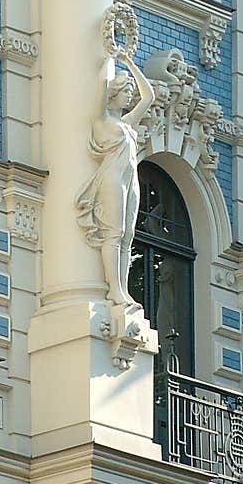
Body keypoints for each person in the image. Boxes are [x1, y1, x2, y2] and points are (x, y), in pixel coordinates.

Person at [75, 52, 155, 307]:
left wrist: (130, 64)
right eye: (125, 90)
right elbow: (100, 84)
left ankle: (122, 289)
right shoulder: (102, 120)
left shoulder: (127, 123)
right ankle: (115, 289)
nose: (130, 95)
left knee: (128, 234)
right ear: (114, 93)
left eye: (130, 91)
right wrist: (108, 54)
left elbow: (149, 97)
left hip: (130, 181)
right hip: (111, 179)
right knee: (115, 232)